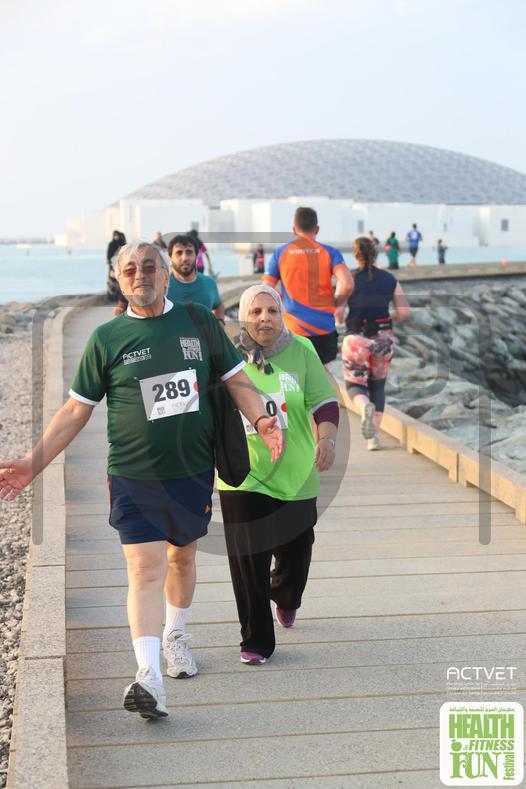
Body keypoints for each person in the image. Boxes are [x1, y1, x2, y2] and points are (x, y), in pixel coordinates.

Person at [0, 241, 283, 719]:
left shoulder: (198, 322)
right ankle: (149, 676)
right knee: (145, 568)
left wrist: (261, 419)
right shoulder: (107, 338)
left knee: (181, 558)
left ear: (166, 274)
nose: (140, 274)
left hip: (191, 471)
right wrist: (33, 462)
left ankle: (175, 634)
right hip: (132, 473)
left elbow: (237, 379)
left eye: (149, 266)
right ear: (118, 278)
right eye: (129, 269)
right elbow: (75, 410)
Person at [218, 284, 339, 665]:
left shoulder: (301, 349)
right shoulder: (228, 356)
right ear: (244, 316)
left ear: (281, 314)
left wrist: (327, 439)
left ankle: (286, 595)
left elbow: (324, 402)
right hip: (244, 473)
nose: (264, 318)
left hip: (296, 472)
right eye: (256, 312)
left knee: (295, 553)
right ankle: (256, 639)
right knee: (248, 560)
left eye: (272, 311)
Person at [341, 236, 410, 450]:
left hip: (355, 339)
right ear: (376, 253)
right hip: (383, 339)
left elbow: (337, 313)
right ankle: (373, 439)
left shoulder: (348, 279)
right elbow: (404, 312)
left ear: (355, 255)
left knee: (355, 385)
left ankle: (364, 408)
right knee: (377, 386)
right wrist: (389, 318)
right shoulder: (389, 279)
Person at [263, 206, 353, 365]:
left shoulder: (281, 253)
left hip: (293, 329)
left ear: (294, 230)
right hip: (324, 327)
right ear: (317, 229)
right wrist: (336, 303)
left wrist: (281, 300)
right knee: (322, 372)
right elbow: (347, 284)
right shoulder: (330, 252)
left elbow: (266, 288)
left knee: (295, 373)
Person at [167, 234, 225, 324]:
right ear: (170, 258)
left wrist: (220, 322)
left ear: (197, 255)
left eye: (189, 252)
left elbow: (218, 305)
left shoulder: (209, 283)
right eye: (179, 253)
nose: (185, 258)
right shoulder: (162, 286)